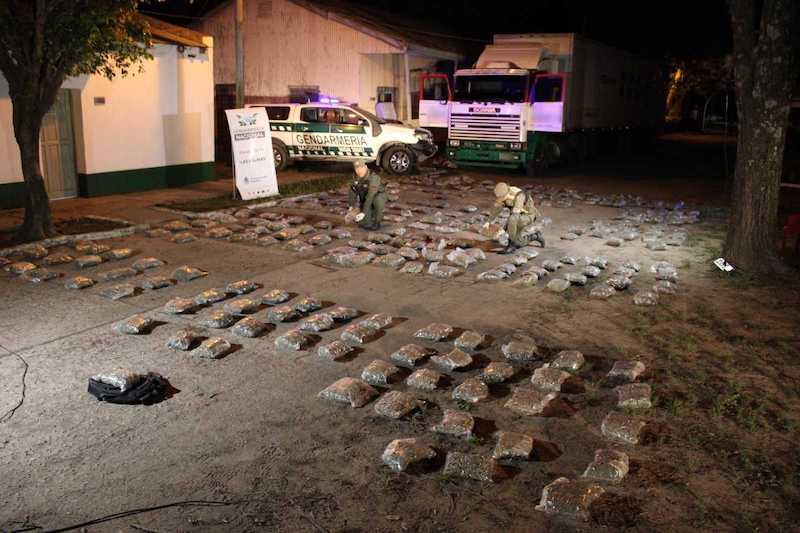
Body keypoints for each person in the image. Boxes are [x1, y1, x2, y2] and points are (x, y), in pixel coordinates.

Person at [483, 182, 545, 251]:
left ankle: (511, 244)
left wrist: (503, 231)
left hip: (528, 215)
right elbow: (497, 209)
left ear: (507, 193)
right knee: (518, 242)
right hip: (518, 216)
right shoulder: (503, 194)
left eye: (502, 197)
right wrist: (488, 221)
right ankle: (534, 236)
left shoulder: (519, 195)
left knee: (512, 223)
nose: (501, 199)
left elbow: (514, 217)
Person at [346, 161, 386, 230]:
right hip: (365, 198)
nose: (359, 171)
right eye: (356, 169)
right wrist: (351, 207)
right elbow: (352, 191)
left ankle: (377, 221)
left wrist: (363, 213)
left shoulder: (374, 177)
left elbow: (370, 196)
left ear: (365, 167)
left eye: (361, 168)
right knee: (365, 224)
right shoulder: (355, 177)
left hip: (377, 196)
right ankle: (371, 213)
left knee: (378, 200)